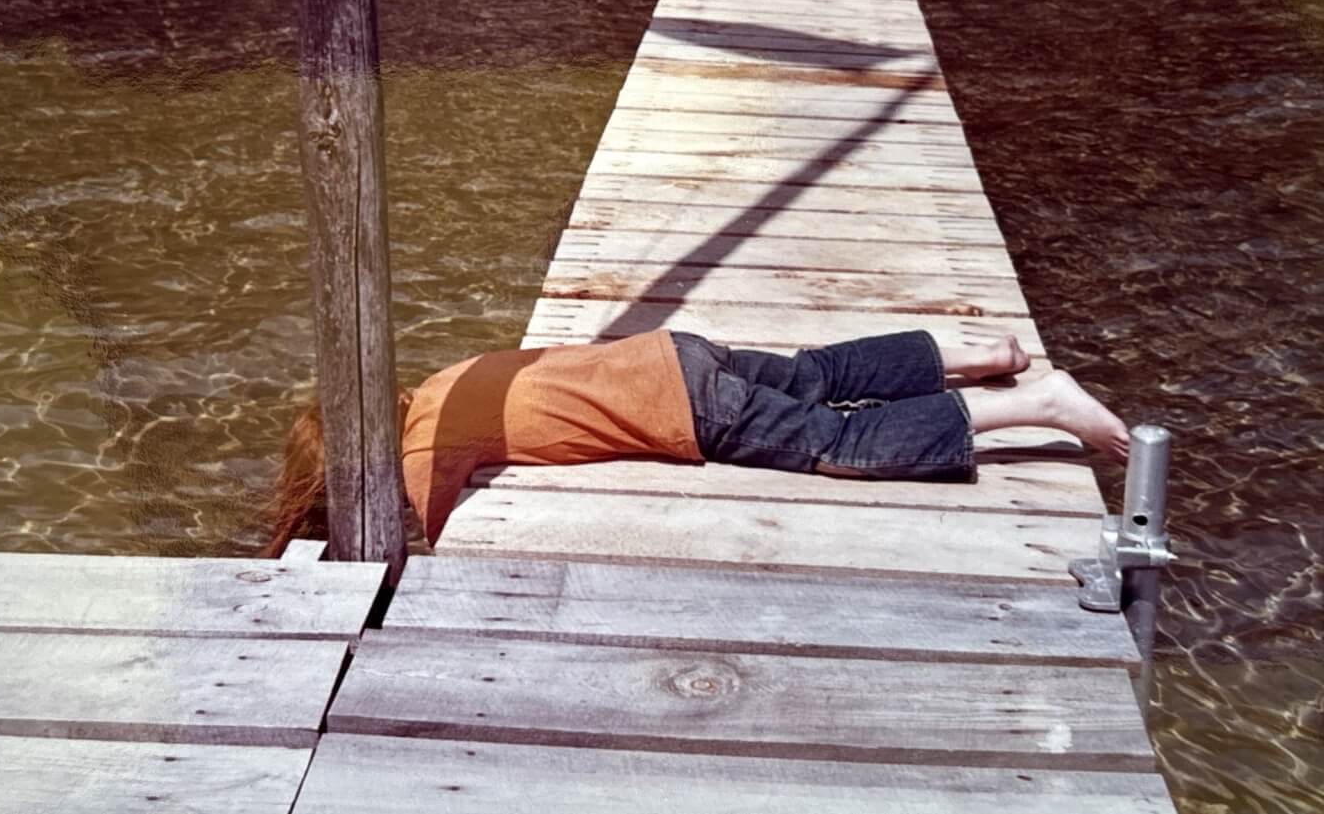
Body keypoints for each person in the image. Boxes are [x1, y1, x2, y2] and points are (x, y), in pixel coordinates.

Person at [262, 327, 1129, 555]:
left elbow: (425, 556)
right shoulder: (444, 382)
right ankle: (984, 357)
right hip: (673, 352)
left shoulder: (423, 456)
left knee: (837, 441)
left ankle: (1041, 404)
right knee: (815, 373)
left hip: (685, 406)